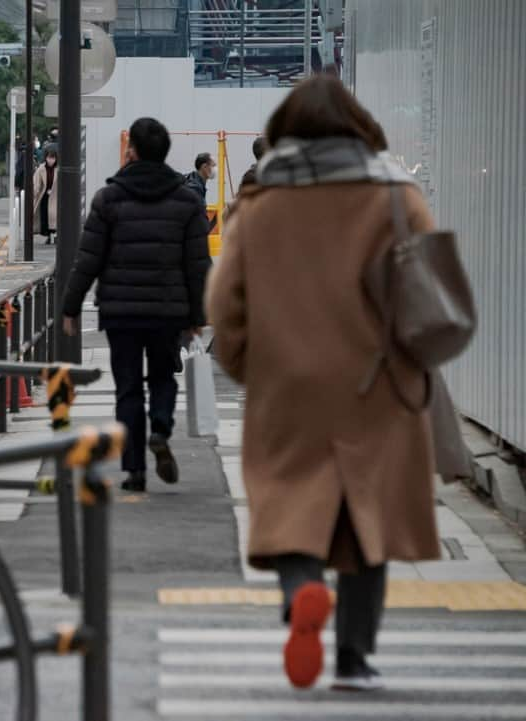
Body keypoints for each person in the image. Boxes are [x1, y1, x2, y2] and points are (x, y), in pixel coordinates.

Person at [206, 74, 443, 693]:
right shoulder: (397, 198)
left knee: (289, 499)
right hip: (378, 383)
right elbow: (431, 295)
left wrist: (247, 368)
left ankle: (302, 589)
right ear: (359, 127)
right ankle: (354, 658)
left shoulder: (259, 205)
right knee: (367, 519)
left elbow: (225, 306)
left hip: (287, 381)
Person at [61, 117, 211, 492]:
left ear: (132, 151)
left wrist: (71, 307)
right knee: (162, 376)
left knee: (127, 388)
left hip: (121, 311)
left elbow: (88, 259)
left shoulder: (109, 198)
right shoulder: (187, 201)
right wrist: (198, 317)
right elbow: (198, 266)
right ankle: (160, 428)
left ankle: (134, 471)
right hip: (168, 311)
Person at [32, 147, 58, 244]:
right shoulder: (41, 169)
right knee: (45, 217)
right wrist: (35, 193)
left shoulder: (58, 169)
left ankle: (54, 235)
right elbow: (37, 183)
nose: (51, 160)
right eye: (49, 158)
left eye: (53, 158)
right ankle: (48, 236)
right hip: (44, 196)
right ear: (45, 158)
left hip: (56, 197)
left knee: (54, 216)